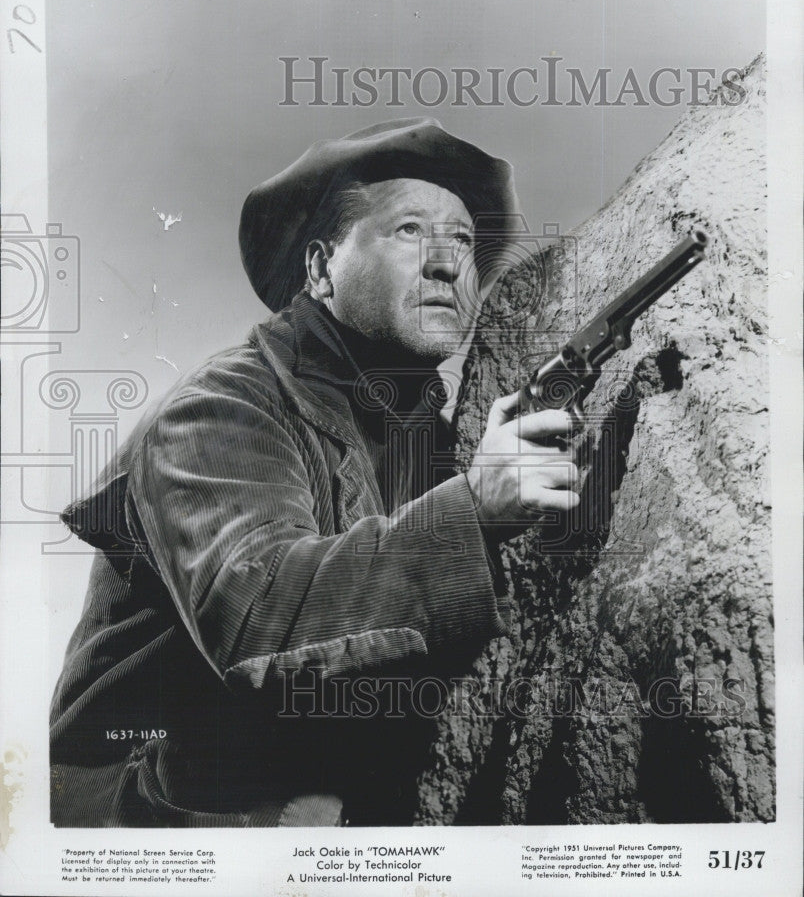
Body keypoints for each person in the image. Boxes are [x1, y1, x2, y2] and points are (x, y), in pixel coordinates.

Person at [50, 118, 579, 827]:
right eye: (410, 231)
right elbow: (260, 622)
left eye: (462, 240)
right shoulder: (218, 411)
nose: (449, 263)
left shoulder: (429, 437)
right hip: (148, 810)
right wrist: (474, 509)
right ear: (321, 267)